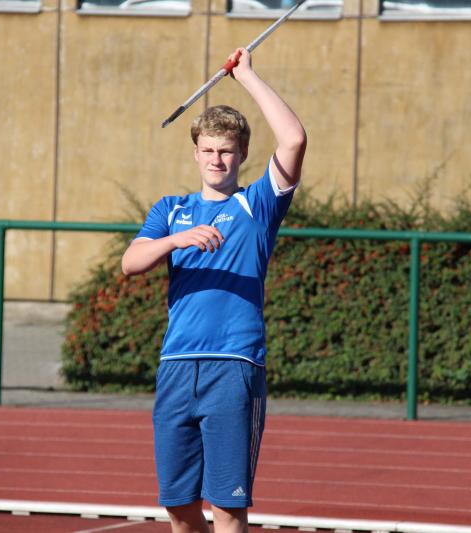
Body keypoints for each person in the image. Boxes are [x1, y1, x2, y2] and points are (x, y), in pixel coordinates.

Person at [121, 47, 307, 533]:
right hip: (177, 366)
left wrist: (247, 76)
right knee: (179, 508)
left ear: (242, 154)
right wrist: (176, 239)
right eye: (207, 150)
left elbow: (293, 139)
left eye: (226, 151)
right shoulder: (170, 209)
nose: (216, 159)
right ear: (195, 153)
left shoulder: (257, 205)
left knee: (227, 509)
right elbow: (130, 263)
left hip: (234, 366)